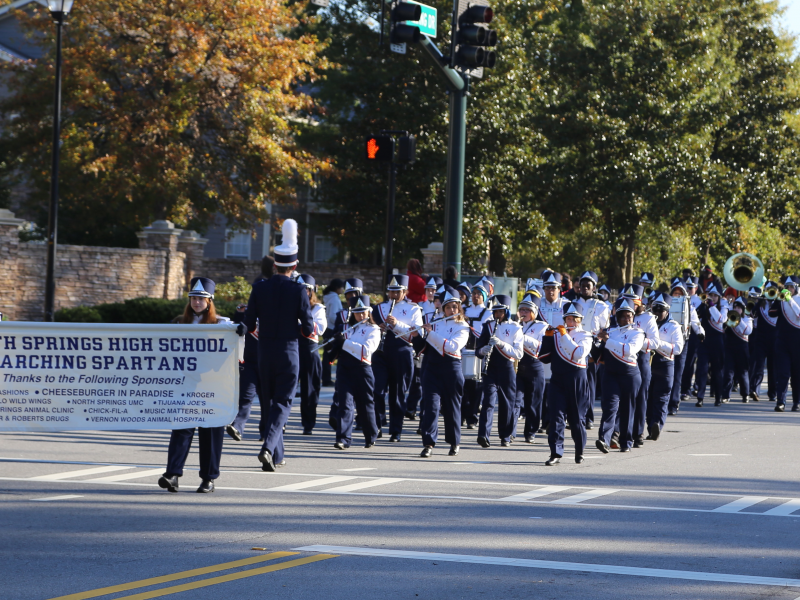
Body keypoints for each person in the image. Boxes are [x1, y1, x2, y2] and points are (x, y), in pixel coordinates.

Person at [245, 219, 314, 472]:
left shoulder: (259, 288)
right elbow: (308, 328)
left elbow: (250, 323)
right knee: (283, 403)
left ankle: (275, 456)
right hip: (288, 351)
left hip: (264, 351)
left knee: (267, 404)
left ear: (275, 265)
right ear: (294, 266)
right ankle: (267, 447)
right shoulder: (298, 291)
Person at [158, 277, 239, 494]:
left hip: (212, 386)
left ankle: (208, 478)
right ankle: (172, 474)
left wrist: (241, 331)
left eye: (201, 298)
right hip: (185, 383)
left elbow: (236, 349)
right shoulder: (178, 323)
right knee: (181, 428)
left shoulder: (222, 324)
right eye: (193, 298)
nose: (196, 302)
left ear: (210, 301)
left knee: (211, 430)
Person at [539, 302, 593, 464]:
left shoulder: (585, 335)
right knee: (556, 416)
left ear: (580, 320)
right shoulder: (557, 335)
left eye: (574, 319)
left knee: (576, 418)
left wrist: (563, 335)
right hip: (557, 380)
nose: (571, 322)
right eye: (568, 319)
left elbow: (578, 354)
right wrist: (547, 338)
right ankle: (556, 452)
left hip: (576, 379)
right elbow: (544, 358)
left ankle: (579, 451)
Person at [419, 286, 470, 457]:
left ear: (459, 307)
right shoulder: (435, 322)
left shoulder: (463, 326)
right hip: (432, 368)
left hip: (451, 368)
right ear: (443, 308)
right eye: (448, 307)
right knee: (431, 407)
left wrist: (431, 334)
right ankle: (428, 444)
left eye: (454, 307)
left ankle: (454, 442)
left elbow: (452, 347)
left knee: (452, 408)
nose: (451, 310)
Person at [372, 274, 423, 441]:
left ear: (405, 291)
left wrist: (396, 324)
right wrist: (377, 328)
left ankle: (396, 430)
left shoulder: (413, 309)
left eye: (397, 292)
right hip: (380, 353)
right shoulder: (379, 308)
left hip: (401, 352)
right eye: (391, 292)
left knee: (397, 393)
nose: (393, 295)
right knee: (377, 391)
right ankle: (377, 424)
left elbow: (416, 333)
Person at [331, 295, 381, 449]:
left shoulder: (374, 329)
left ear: (368, 313)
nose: (360, 316)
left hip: (362, 369)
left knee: (365, 404)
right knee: (345, 404)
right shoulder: (349, 328)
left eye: (363, 312)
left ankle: (370, 435)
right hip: (345, 368)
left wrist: (344, 342)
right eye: (357, 313)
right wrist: (333, 347)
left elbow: (366, 351)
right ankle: (343, 439)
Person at [594, 298, 644, 454]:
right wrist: (596, 340)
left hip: (630, 374)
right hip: (611, 374)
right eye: (622, 316)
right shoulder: (609, 331)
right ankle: (604, 439)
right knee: (609, 407)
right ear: (617, 317)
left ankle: (626, 442)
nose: (625, 319)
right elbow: (598, 352)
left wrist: (607, 341)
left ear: (633, 317)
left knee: (627, 409)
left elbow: (629, 350)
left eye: (629, 316)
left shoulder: (637, 333)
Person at [476, 295, 523, 448]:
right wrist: (483, 350)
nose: (498, 315)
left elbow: (519, 354)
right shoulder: (487, 326)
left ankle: (506, 435)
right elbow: (478, 350)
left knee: (507, 403)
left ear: (507, 312)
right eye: (495, 312)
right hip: (490, 368)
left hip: (507, 368)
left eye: (501, 312)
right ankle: (483, 435)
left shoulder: (516, 327)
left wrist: (501, 344)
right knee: (488, 401)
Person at [573, 270, 611, 430]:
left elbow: (605, 328)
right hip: (574, 345)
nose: (584, 288)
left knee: (588, 383)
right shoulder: (572, 303)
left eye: (588, 285)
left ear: (594, 287)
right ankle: (575, 415)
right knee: (575, 383)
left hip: (592, 348)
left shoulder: (601, 306)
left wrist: (601, 339)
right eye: (582, 285)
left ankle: (588, 417)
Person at [645, 292, 684, 440]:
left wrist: (658, 344)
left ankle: (657, 425)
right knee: (649, 398)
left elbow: (678, 348)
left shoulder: (673, 326)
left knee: (661, 398)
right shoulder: (648, 322)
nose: (657, 313)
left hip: (665, 363)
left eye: (661, 310)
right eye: (655, 309)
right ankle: (650, 427)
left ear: (667, 311)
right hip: (648, 364)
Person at [624, 284, 659, 447]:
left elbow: (655, 342)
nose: (629, 305)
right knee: (624, 398)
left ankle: (638, 433)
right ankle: (622, 432)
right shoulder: (620, 314)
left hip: (642, 358)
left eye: (633, 302)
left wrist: (638, 342)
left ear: (639, 302)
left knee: (641, 397)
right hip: (623, 358)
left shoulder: (648, 318)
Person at [667, 278, 703, 416]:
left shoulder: (690, 307)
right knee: (665, 374)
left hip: (682, 342)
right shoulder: (666, 304)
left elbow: (696, 323)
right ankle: (663, 401)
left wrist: (700, 333)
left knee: (677, 374)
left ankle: (674, 404)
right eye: (675, 293)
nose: (677, 295)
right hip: (666, 342)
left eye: (680, 293)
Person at [296, 274, 327, 434]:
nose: (303, 292)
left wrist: (303, 322)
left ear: (311, 291)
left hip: (309, 348)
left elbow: (320, 328)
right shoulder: (290, 306)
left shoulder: (318, 308)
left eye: (306, 289)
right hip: (293, 346)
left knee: (310, 388)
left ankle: (308, 423)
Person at [516, 293, 548, 443]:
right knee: (515, 400)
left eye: (526, 310)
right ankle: (510, 431)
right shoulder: (514, 325)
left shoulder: (542, 326)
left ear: (533, 313)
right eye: (521, 309)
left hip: (534, 366)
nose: (523, 313)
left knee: (533, 402)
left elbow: (540, 347)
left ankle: (531, 431)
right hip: (517, 366)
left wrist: (522, 336)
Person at [462, 281, 492, 430]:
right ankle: (461, 415)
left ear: (484, 297)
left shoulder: (488, 313)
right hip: (462, 350)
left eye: (479, 294)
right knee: (461, 384)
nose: (475, 296)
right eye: (473, 293)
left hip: (477, 351)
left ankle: (472, 417)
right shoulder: (463, 310)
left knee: (476, 385)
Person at [694, 283, 728, 407]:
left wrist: (712, 306)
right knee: (702, 370)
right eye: (711, 295)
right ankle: (700, 397)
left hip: (718, 342)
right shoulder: (704, 306)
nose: (712, 297)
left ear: (719, 297)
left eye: (715, 296)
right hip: (704, 342)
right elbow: (696, 315)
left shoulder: (723, 307)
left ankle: (718, 397)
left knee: (717, 371)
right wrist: (701, 304)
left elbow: (720, 319)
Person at [769, 276, 800, 412]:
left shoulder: (797, 300)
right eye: (787, 287)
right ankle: (780, 401)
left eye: (791, 287)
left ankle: (797, 401)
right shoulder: (781, 299)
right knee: (783, 373)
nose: (789, 289)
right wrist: (778, 300)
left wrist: (790, 301)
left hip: (797, 341)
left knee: (797, 374)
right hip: (782, 340)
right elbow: (771, 313)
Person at [749, 282, 778, 402]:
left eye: (772, 291)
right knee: (758, 365)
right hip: (760, 339)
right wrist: (757, 302)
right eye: (767, 290)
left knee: (773, 367)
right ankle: (754, 390)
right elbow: (750, 314)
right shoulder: (760, 304)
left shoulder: (778, 303)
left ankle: (773, 393)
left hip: (774, 339)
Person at [721, 297, 753, 403]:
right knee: (728, 372)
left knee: (743, 372)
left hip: (742, 347)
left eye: (739, 307)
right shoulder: (729, 317)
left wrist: (738, 320)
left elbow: (747, 331)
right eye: (735, 306)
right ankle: (725, 395)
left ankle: (745, 394)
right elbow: (723, 329)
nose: (736, 308)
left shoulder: (747, 319)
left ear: (743, 309)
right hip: (729, 347)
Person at [321, 278, 345, 386]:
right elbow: (333, 316)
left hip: (327, 328)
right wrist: (339, 324)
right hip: (331, 328)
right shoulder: (334, 298)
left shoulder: (328, 297)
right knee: (330, 354)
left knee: (327, 354)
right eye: (341, 287)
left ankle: (325, 377)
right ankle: (326, 379)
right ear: (337, 288)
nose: (343, 289)